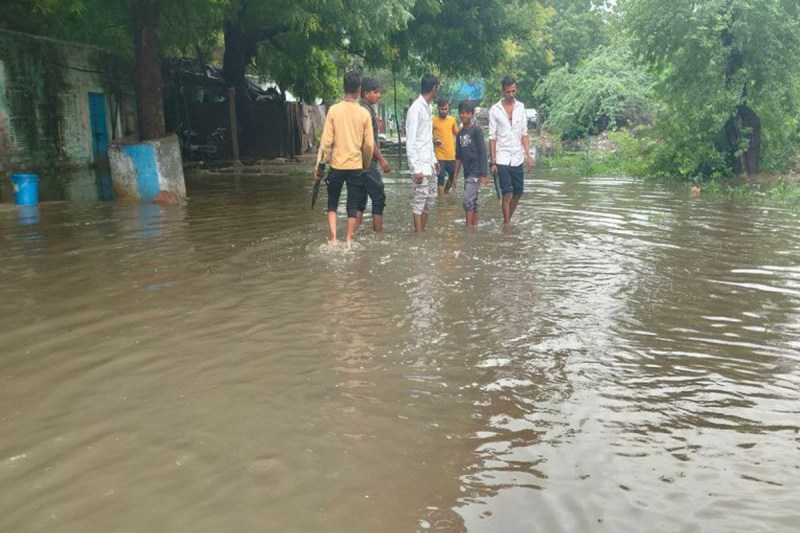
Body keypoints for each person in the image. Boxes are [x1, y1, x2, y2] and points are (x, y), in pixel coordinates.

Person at [314, 71, 374, 245]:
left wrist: (318, 167)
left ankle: (333, 238)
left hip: (337, 165)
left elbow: (325, 143)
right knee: (352, 205)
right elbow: (369, 145)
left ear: (344, 87)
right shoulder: (364, 114)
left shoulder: (333, 110)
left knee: (332, 203)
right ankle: (349, 239)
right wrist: (365, 163)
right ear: (359, 89)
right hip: (355, 165)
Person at [488, 75, 534, 224]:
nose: (511, 94)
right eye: (508, 92)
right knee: (506, 193)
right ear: (502, 92)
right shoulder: (495, 110)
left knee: (518, 192)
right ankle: (507, 226)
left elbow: (524, 133)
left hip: (517, 157)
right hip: (501, 157)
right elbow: (492, 137)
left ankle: (506, 220)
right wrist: (493, 162)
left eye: (513, 91)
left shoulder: (521, 107)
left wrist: (528, 155)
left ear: (516, 89)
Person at [356, 77, 391, 233]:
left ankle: (353, 235)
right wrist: (382, 160)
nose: (379, 95)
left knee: (360, 200)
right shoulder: (366, 112)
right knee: (379, 198)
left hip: (357, 163)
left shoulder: (361, 109)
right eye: (376, 92)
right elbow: (369, 141)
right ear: (366, 93)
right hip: (367, 162)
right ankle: (378, 235)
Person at [405, 73, 440, 232]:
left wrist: (434, 160)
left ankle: (421, 230)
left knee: (430, 198)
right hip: (419, 164)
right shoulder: (415, 109)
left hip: (429, 162)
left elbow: (427, 137)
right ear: (434, 89)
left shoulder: (429, 107)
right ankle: (418, 236)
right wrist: (415, 169)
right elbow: (411, 141)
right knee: (420, 199)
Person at [453, 100, 489, 228]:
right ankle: (474, 227)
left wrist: (484, 174)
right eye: (462, 113)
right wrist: (455, 177)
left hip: (476, 171)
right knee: (472, 201)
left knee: (467, 201)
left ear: (472, 114)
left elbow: (483, 152)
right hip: (467, 173)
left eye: (467, 113)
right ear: (459, 114)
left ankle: (469, 229)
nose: (464, 116)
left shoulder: (476, 131)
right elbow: (458, 157)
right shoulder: (460, 134)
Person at [432, 97, 458, 196]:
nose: (443, 111)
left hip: (451, 155)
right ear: (438, 108)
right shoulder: (433, 121)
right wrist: (434, 141)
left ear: (448, 109)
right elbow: (427, 136)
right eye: (442, 109)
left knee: (453, 175)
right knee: (441, 177)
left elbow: (457, 134)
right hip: (439, 155)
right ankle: (442, 201)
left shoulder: (451, 120)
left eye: (445, 109)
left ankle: (445, 192)